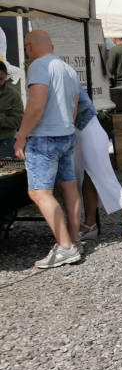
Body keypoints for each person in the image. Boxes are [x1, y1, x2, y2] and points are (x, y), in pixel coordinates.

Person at [16, 30, 84, 269]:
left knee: (39, 192)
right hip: (66, 133)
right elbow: (74, 108)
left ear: (29, 45)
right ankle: (74, 240)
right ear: (52, 45)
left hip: (44, 137)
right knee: (69, 188)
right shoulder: (68, 69)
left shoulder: (38, 66)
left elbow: (36, 104)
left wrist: (21, 137)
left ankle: (65, 247)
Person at [73, 84, 122, 242]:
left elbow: (71, 110)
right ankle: (90, 223)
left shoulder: (63, 77)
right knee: (87, 180)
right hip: (81, 133)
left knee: (104, 177)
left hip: (88, 132)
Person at [0, 61, 24, 157]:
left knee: (7, 172)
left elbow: (18, 121)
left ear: (6, 77)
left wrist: (1, 119)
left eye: (0, 79)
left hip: (5, 143)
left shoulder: (13, 95)